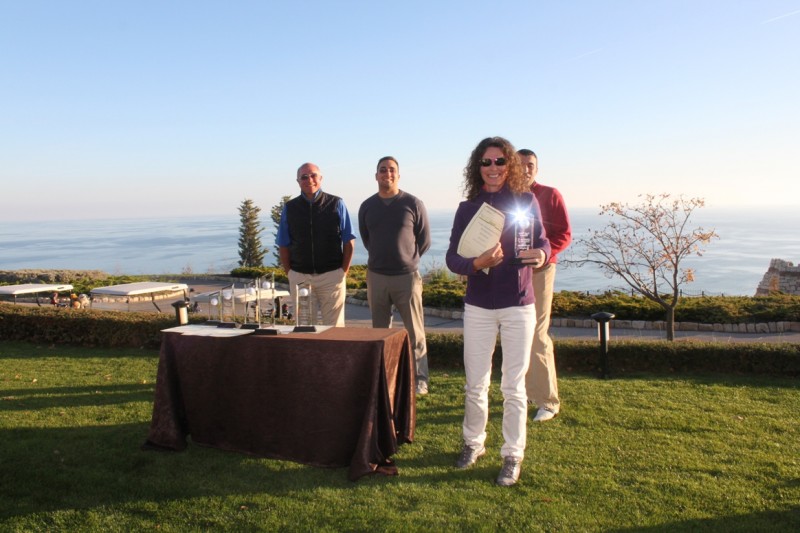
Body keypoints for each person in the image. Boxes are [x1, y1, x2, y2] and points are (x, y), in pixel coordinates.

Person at [446, 137, 550, 486]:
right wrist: (477, 263)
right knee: (475, 384)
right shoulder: (467, 208)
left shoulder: (526, 201)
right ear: (477, 167)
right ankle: (473, 443)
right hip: (478, 306)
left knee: (513, 386)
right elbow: (452, 259)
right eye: (486, 162)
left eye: (500, 162)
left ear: (511, 165)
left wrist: (542, 255)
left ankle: (512, 455)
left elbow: (543, 241)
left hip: (518, 305)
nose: (493, 168)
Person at [359, 156, 432, 395]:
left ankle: (420, 380)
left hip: (406, 278)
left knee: (415, 332)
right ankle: (384, 376)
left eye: (391, 170)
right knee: (380, 332)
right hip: (377, 277)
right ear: (376, 176)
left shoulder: (413, 203)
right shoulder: (367, 206)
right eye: (383, 170)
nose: (387, 174)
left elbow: (424, 240)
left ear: (398, 175)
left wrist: (406, 259)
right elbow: (367, 239)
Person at [518, 149, 572, 422]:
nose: (525, 169)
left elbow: (564, 234)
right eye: (520, 164)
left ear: (536, 169)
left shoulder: (550, 195)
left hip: (540, 270)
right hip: (511, 272)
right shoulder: (504, 196)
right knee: (517, 331)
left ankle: (548, 401)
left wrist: (544, 254)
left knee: (537, 333)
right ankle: (528, 390)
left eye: (530, 165)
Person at [276, 162, 356, 326]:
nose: (309, 180)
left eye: (313, 175)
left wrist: (343, 271)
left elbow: (348, 240)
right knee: (304, 328)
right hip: (300, 277)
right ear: (298, 181)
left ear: (321, 178)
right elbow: (283, 243)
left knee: (334, 329)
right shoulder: (290, 208)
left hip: (331, 276)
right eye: (304, 177)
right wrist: (290, 273)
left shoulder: (336, 203)